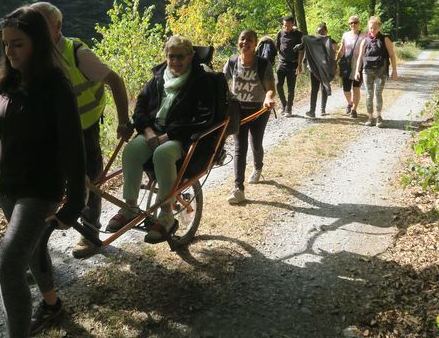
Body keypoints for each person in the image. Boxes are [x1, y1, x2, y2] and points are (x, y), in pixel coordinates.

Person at [0, 6, 86, 337]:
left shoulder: (55, 87)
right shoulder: (2, 84)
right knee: (32, 250)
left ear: (37, 42)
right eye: (5, 44)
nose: (10, 51)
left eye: (18, 43)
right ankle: (52, 303)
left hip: (41, 190)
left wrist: (74, 203)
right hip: (8, 187)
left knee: (7, 265)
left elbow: (73, 150)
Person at [31, 2, 133, 259]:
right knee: (45, 181)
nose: (35, 31)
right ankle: (35, 243)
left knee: (91, 179)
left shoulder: (77, 52)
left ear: (57, 27)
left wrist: (123, 120)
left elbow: (115, 81)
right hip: (51, 131)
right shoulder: (33, 53)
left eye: (40, 25)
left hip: (84, 126)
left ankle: (89, 231)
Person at [105, 35, 216, 243]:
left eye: (180, 57)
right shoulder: (158, 77)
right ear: (165, 57)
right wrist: (147, 132)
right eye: (170, 57)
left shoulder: (202, 81)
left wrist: (168, 135)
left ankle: (166, 214)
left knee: (163, 154)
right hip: (153, 131)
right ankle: (130, 206)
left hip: (182, 137)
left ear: (191, 56)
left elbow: (203, 117)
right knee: (130, 152)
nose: (175, 62)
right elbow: (140, 107)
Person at [223, 29, 276, 204]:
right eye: (242, 39)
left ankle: (258, 166)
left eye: (249, 40)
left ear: (255, 44)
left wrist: (268, 99)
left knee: (256, 143)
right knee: (240, 147)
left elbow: (270, 88)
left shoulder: (262, 64)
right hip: (238, 110)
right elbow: (221, 84)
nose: (245, 42)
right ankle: (239, 188)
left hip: (259, 110)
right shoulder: (231, 62)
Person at [355, 16, 399, 128]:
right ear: (368, 28)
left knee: (378, 94)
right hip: (367, 71)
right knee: (369, 95)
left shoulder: (385, 39)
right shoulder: (364, 40)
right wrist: (357, 71)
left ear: (379, 27)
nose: (372, 30)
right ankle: (370, 117)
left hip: (381, 71)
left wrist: (394, 71)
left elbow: (392, 56)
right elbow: (360, 57)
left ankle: (379, 117)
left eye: (374, 28)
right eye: (370, 28)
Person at [305, 22, 337, 118]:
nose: (320, 34)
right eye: (319, 32)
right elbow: (308, 55)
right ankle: (312, 110)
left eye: (322, 32)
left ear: (326, 31)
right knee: (314, 90)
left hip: (325, 69)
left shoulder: (332, 42)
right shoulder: (313, 42)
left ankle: (323, 109)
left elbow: (332, 57)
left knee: (324, 88)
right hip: (314, 70)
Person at [336, 15, 364, 118]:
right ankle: (350, 103)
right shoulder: (345, 35)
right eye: (351, 23)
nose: (353, 24)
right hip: (346, 64)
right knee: (346, 89)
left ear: (359, 23)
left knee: (356, 88)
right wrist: (336, 61)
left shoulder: (364, 35)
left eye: (355, 22)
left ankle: (354, 110)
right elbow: (341, 49)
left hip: (359, 64)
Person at [275, 15, 304, 117]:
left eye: (288, 25)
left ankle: (289, 109)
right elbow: (277, 46)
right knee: (278, 85)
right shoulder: (280, 33)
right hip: (282, 63)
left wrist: (299, 65)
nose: (286, 27)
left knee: (291, 88)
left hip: (293, 64)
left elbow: (301, 51)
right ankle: (284, 105)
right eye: (284, 25)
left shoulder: (298, 34)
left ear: (292, 24)